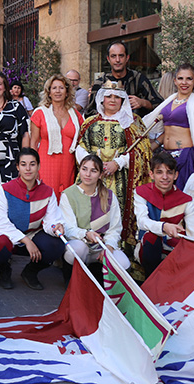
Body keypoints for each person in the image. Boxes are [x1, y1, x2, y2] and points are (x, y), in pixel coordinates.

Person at [76, 81, 152, 256]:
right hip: (91, 177)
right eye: (108, 96)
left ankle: (115, 253)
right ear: (101, 99)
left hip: (121, 181)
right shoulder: (90, 122)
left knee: (115, 215)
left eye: (117, 97)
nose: (112, 100)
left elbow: (142, 150)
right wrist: (94, 166)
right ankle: (86, 252)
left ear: (123, 99)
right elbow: (80, 146)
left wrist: (119, 162)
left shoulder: (133, 122)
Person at [0, 148, 66, 290]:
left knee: (57, 245)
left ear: (39, 166)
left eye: (32, 164)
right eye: (23, 164)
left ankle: (31, 272)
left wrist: (56, 226)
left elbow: (51, 220)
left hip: (32, 233)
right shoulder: (5, 189)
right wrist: (25, 240)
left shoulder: (48, 192)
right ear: (17, 167)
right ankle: (4, 271)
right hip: (7, 234)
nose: (28, 169)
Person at [143, 64, 194, 220]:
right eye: (180, 78)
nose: (184, 82)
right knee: (166, 203)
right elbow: (165, 130)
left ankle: (188, 240)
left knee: (184, 203)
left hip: (186, 157)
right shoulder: (169, 101)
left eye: (189, 79)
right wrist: (153, 146)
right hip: (166, 157)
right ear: (175, 80)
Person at [134, 151, 194, 277]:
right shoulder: (141, 192)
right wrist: (164, 227)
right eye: (159, 172)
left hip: (176, 249)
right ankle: (150, 282)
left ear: (176, 175)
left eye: (169, 172)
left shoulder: (187, 200)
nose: (165, 177)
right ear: (151, 174)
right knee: (152, 237)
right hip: (149, 249)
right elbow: (142, 221)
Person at [60, 154, 130, 279]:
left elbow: (115, 227)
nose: (87, 174)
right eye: (84, 169)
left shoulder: (109, 195)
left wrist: (108, 247)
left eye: (93, 171)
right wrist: (86, 234)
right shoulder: (68, 194)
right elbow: (69, 228)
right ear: (79, 170)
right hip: (80, 243)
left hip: (101, 246)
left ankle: (97, 271)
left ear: (100, 175)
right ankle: (70, 277)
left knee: (124, 264)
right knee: (76, 250)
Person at [29, 74, 83, 199]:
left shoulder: (75, 114)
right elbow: (33, 143)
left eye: (61, 88)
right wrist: (33, 167)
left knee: (66, 200)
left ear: (67, 92)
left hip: (68, 165)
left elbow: (81, 142)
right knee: (47, 199)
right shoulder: (40, 113)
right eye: (54, 88)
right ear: (49, 92)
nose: (58, 91)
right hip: (46, 164)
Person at [86, 41, 161, 116]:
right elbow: (89, 112)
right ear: (108, 59)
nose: (117, 60)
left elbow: (160, 104)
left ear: (127, 58)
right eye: (113, 56)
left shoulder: (138, 79)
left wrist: (143, 103)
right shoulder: (100, 83)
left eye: (121, 56)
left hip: (134, 126)